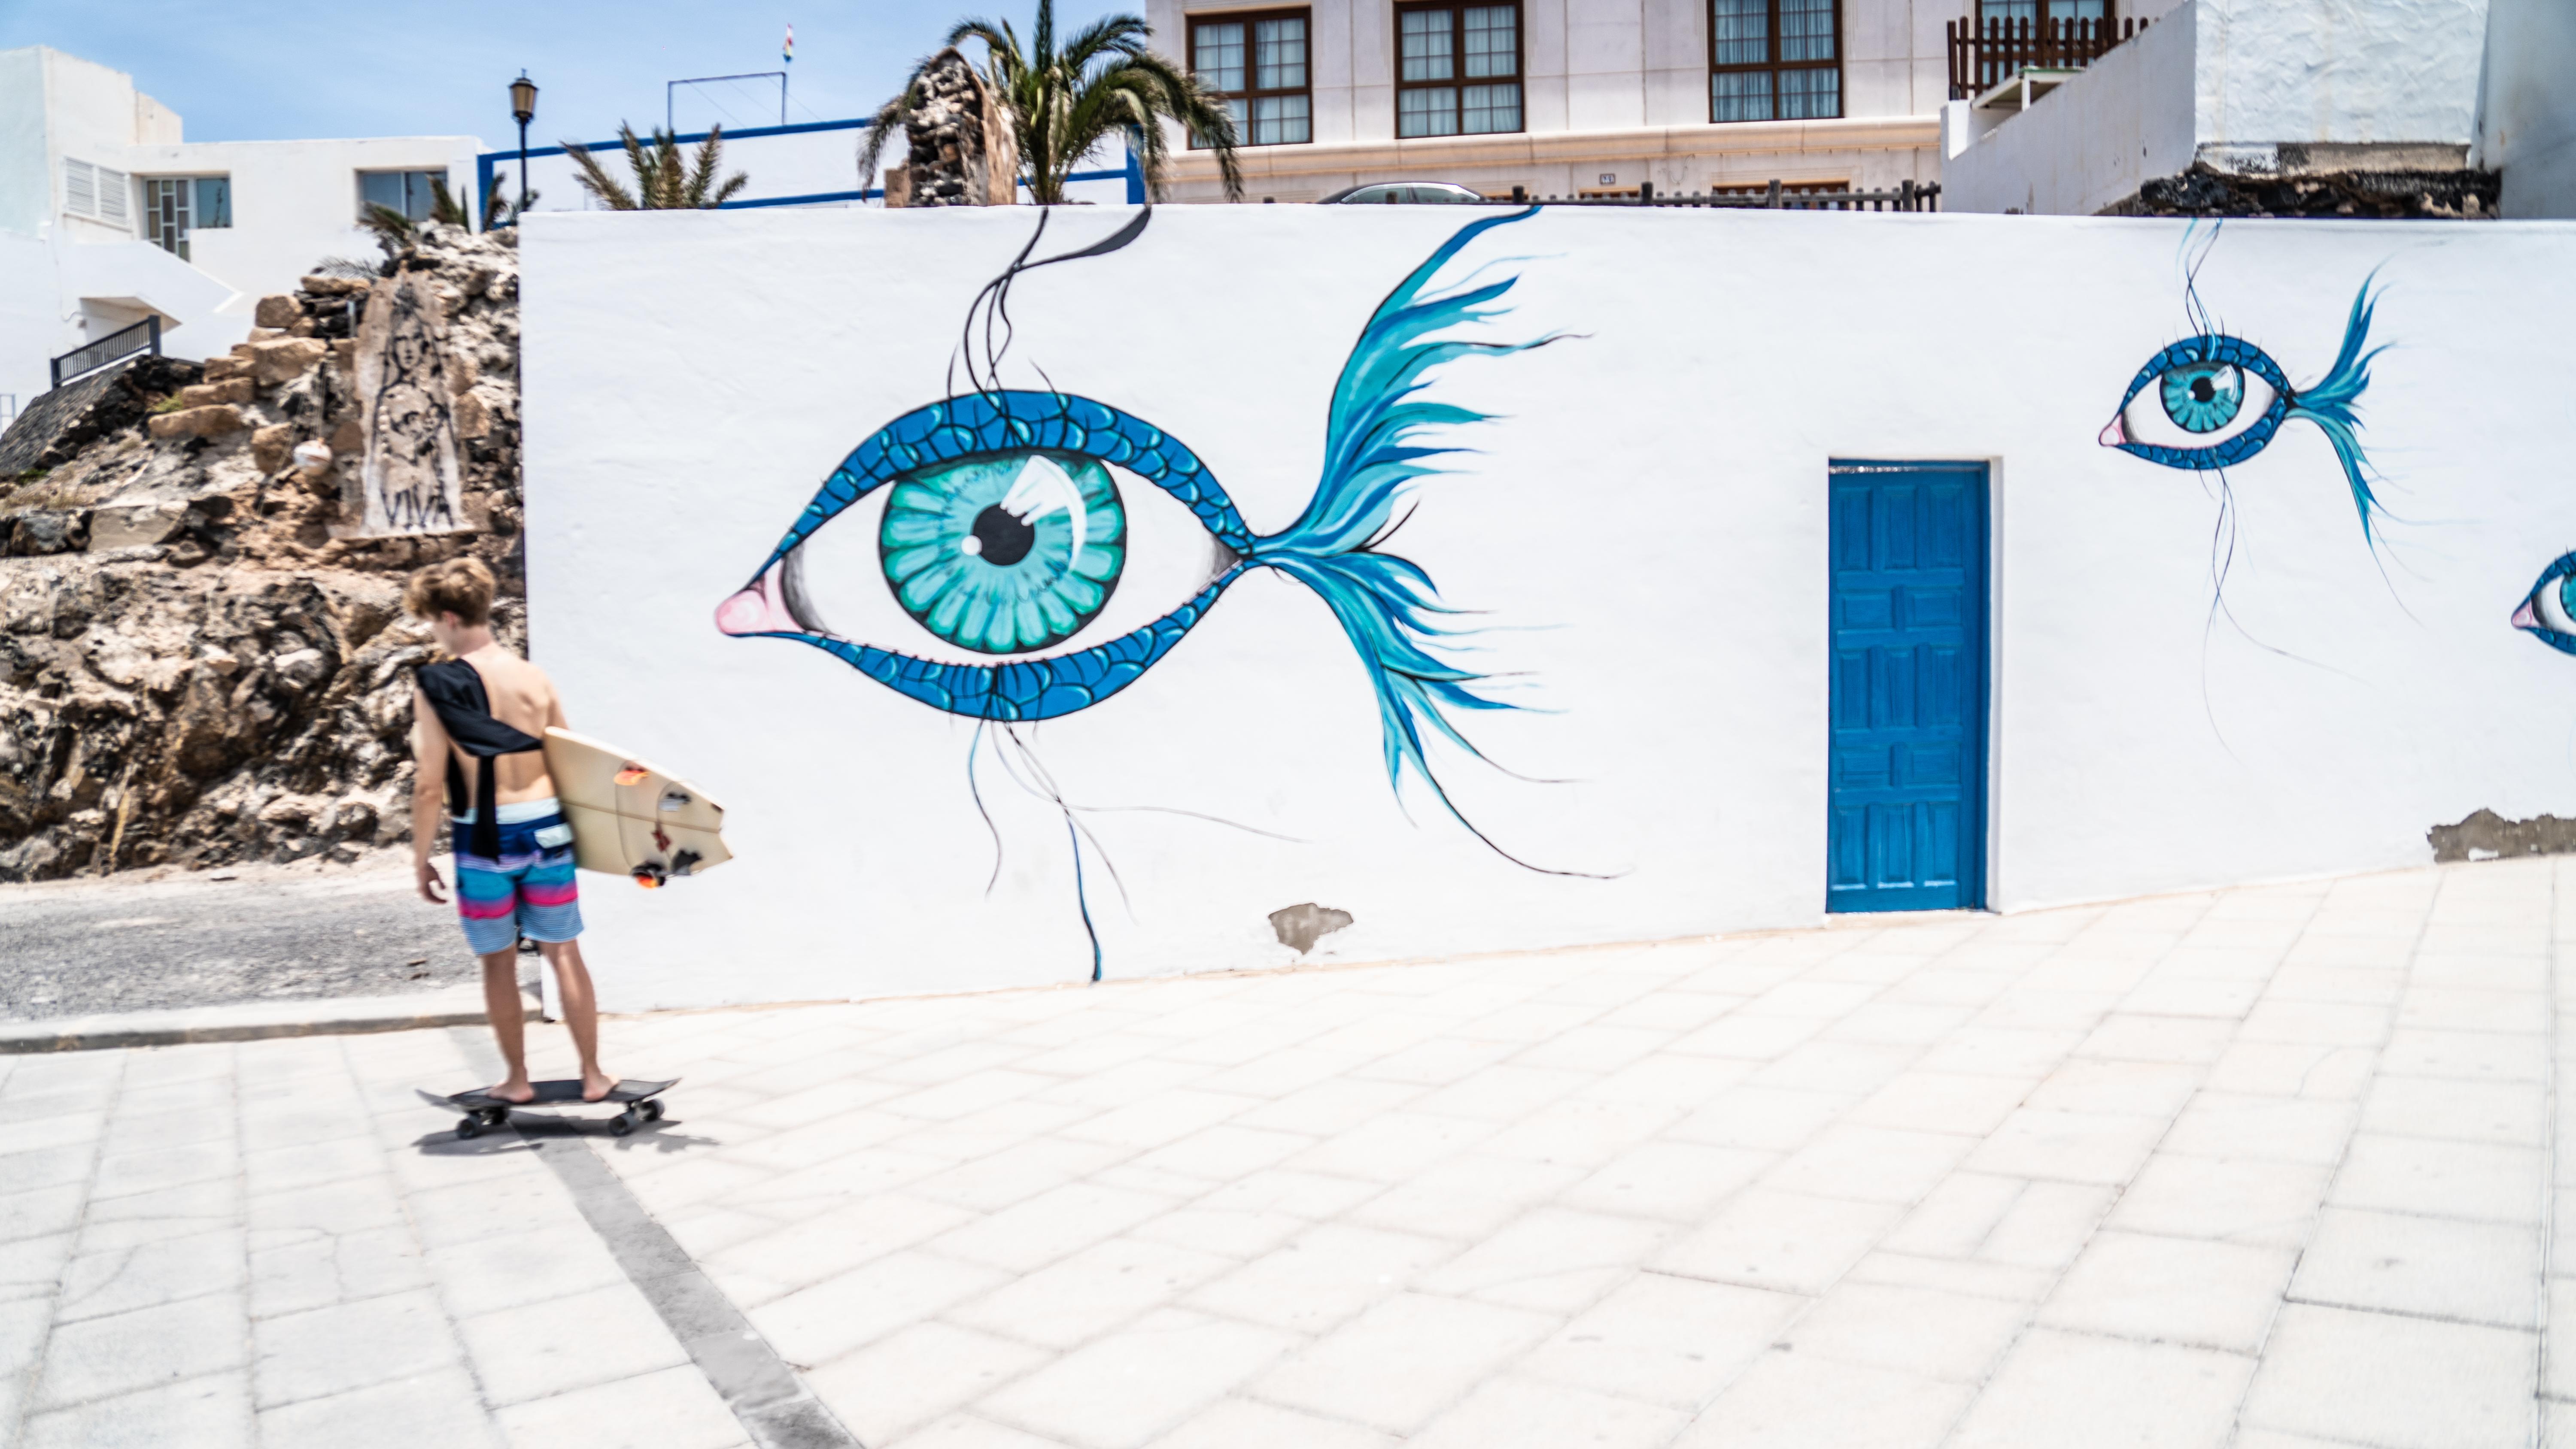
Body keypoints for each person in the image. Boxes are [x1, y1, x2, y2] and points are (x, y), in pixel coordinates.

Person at [403, 557, 616, 1103]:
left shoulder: (439, 686)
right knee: (563, 950)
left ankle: (517, 1081)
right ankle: (594, 1075)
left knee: (497, 959)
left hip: (483, 838)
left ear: (449, 617)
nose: (432, 633)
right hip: (546, 829)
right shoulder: (533, 676)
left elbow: (429, 786)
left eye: (430, 622)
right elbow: (571, 757)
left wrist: (421, 858)